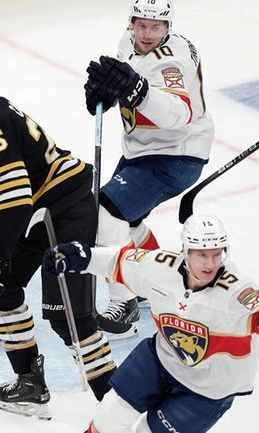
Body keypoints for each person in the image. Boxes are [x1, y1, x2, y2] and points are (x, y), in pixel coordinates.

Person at [0, 47, 117, 419]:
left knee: (67, 315)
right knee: (0, 290)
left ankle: (121, 402)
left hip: (65, 207)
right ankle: (30, 383)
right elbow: (5, 189)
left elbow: (15, 197)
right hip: (39, 210)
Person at [43, 215, 256, 433]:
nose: (211, 263)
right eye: (202, 254)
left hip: (208, 390)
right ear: (186, 252)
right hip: (161, 359)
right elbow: (116, 260)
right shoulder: (160, 267)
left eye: (216, 254)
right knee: (109, 417)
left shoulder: (240, 293)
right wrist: (78, 257)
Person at [84, 0, 214, 338]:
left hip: (175, 156)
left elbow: (178, 113)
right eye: (141, 25)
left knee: (107, 212)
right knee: (129, 219)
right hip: (143, 149)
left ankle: (123, 302)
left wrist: (135, 90)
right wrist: (107, 95)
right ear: (132, 22)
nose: (146, 34)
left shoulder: (172, 60)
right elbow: (123, 76)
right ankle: (155, 280)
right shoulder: (129, 41)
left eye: (155, 27)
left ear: (168, 27)